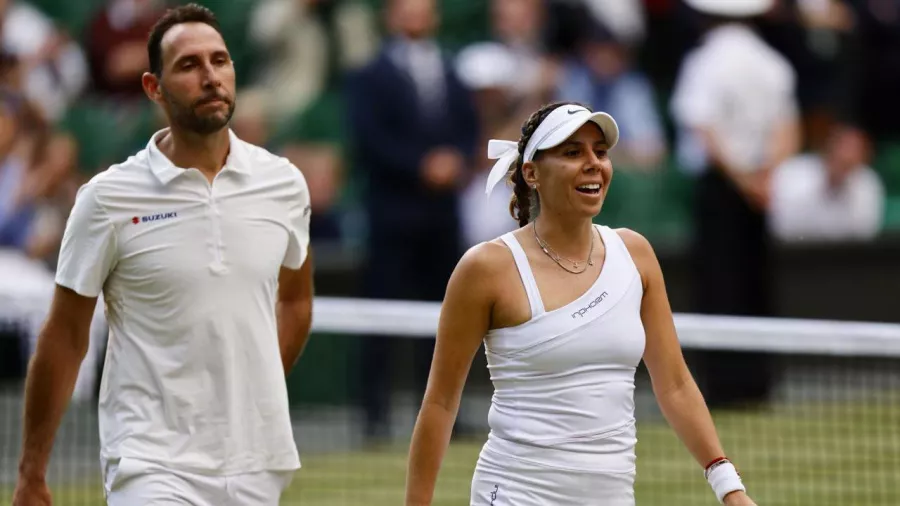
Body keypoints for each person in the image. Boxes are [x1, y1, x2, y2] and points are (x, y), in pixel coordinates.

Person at [13, 4, 314, 505]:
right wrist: (31, 471)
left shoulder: (284, 184)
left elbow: (297, 303)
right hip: (150, 463)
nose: (211, 76)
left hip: (259, 463)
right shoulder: (107, 199)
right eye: (190, 65)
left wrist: (253, 384)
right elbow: (64, 337)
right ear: (154, 87)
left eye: (220, 61)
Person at [404, 101, 757, 506]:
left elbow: (675, 384)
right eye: (572, 153)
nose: (593, 163)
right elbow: (440, 403)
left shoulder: (635, 254)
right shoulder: (485, 268)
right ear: (531, 173)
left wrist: (729, 487)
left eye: (600, 152)